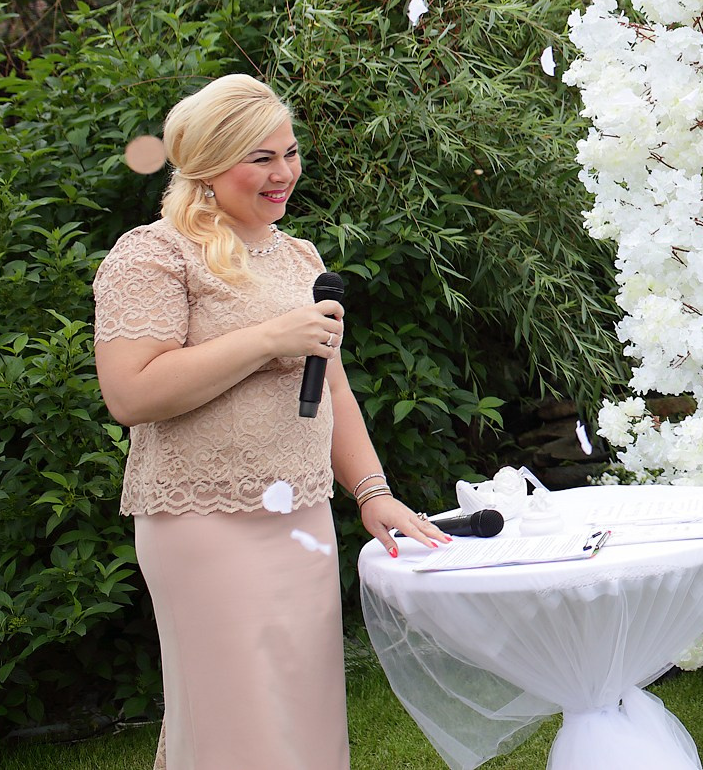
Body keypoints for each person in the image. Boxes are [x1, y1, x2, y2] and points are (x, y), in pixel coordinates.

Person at [92, 75, 446, 768]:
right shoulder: (152, 254)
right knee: (239, 732)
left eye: (289, 151)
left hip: (300, 521)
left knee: (304, 728)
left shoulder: (300, 257)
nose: (284, 172)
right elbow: (130, 393)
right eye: (260, 157)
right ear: (209, 164)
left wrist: (373, 492)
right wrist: (266, 339)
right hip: (204, 524)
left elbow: (333, 388)